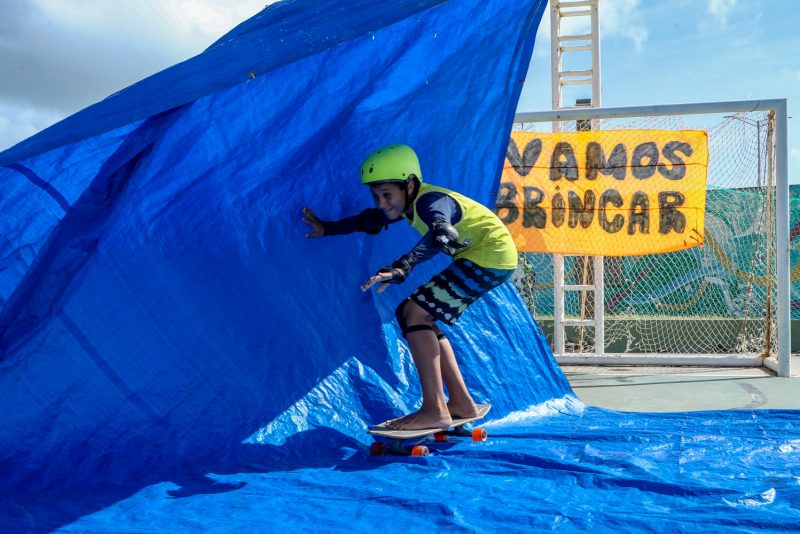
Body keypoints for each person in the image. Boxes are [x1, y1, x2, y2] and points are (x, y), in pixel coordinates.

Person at [302, 144, 518, 430]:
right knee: (418, 314)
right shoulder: (407, 203)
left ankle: (434, 409)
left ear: (411, 185)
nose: (382, 202)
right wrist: (327, 228)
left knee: (413, 313)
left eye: (387, 195)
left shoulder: (431, 202)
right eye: (376, 195)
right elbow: (371, 219)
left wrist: (402, 266)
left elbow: (441, 232)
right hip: (487, 256)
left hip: (490, 257)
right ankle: (461, 403)